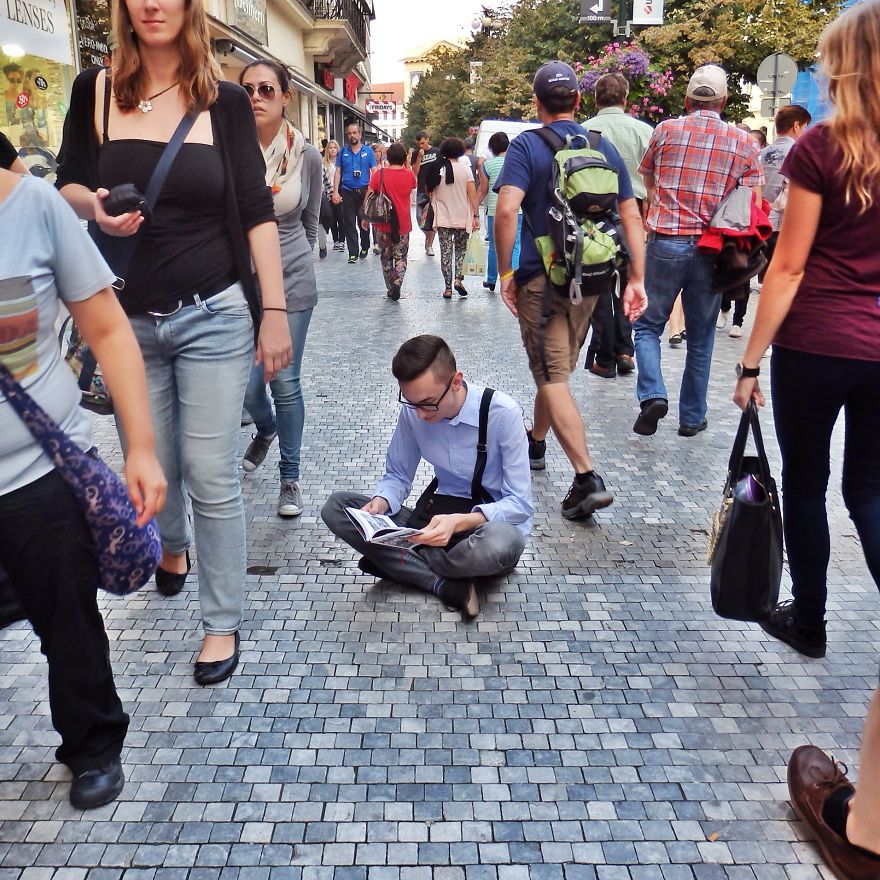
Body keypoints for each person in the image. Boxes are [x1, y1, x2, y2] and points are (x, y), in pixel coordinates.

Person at [56, 0, 293, 686]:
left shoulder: (221, 100)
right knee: (155, 461)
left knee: (211, 470)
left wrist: (271, 310)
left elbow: (254, 210)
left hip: (213, 312)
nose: (152, 3)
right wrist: (93, 205)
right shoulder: (94, 90)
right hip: (127, 321)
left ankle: (221, 622)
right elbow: (68, 176)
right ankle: (174, 549)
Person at [731, 3, 880, 871]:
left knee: (811, 482)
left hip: (817, 339)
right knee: (871, 488)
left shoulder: (822, 147)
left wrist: (751, 361)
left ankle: (812, 617)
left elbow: (787, 265)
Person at [0, 167, 166, 809]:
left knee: (66, 622)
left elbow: (106, 329)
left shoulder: (33, 207)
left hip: (36, 474)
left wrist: (142, 448)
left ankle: (94, 743)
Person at [494, 61, 647, 519]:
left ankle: (586, 478)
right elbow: (632, 216)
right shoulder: (603, 146)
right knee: (555, 367)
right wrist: (637, 278)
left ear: (537, 102)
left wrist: (505, 274)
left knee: (552, 374)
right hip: (593, 278)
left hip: (541, 278)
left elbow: (506, 212)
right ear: (578, 102)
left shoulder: (527, 146)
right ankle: (536, 443)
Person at [321, 335, 533, 621]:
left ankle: (398, 563)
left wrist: (459, 521)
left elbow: (519, 504)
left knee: (499, 544)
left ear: (456, 381)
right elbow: (397, 474)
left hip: (484, 528)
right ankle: (441, 583)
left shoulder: (503, 415)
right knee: (337, 507)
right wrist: (381, 502)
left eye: (428, 403)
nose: (419, 414)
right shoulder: (413, 412)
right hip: (431, 522)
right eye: (411, 403)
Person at [634, 64, 763, 438]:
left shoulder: (666, 130)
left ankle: (653, 394)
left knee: (647, 325)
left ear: (688, 99)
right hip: (712, 248)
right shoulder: (743, 142)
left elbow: (648, 178)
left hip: (665, 241)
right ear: (723, 101)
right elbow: (754, 198)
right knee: (702, 337)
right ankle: (692, 417)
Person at [238, 60, 321, 519]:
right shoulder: (229, 150)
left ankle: (290, 479)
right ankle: (265, 430)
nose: (256, 97)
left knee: (284, 381)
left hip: (290, 282)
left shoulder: (306, 155)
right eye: (248, 89)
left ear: (286, 97)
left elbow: (309, 224)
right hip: (237, 283)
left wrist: (295, 266)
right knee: (248, 390)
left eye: (267, 89)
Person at [581, 72, 653, 379]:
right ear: (626, 100)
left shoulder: (583, 131)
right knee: (629, 284)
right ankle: (626, 350)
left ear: (595, 99)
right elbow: (653, 180)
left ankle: (606, 355)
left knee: (598, 286)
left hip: (592, 217)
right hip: (633, 213)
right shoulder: (644, 131)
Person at [427, 137, 480, 299]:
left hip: (443, 217)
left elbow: (429, 191)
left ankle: (447, 288)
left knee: (445, 252)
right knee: (461, 250)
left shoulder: (438, 169)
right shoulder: (465, 169)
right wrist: (476, 215)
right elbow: (472, 194)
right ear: (461, 151)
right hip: (462, 217)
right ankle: (458, 279)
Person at [366, 141, 416, 300]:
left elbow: (369, 193)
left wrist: (365, 218)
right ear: (404, 157)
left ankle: (390, 285)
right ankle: (398, 281)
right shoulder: (409, 175)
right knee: (400, 256)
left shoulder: (379, 174)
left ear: (388, 156)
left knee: (385, 256)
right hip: (403, 222)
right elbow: (412, 187)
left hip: (382, 222)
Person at [477, 131, 521, 293]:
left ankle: (491, 279)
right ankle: (515, 277)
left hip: (495, 210)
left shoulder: (487, 165)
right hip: (517, 209)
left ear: (492, 149)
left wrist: (473, 208)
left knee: (494, 247)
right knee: (516, 244)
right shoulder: (516, 163)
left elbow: (483, 190)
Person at [332, 120, 376, 263]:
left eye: (355, 132)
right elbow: (338, 172)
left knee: (362, 221)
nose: (352, 135)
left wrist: (374, 191)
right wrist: (335, 191)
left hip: (364, 191)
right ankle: (353, 252)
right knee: (348, 222)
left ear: (360, 134)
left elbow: (374, 172)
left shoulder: (368, 152)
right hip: (347, 190)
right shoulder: (343, 152)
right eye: (349, 133)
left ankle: (365, 245)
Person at [411, 130, 439, 256]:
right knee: (419, 218)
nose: (420, 146)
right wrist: (419, 157)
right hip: (421, 189)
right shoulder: (417, 153)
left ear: (427, 139)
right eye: (418, 144)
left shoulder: (437, 152)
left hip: (435, 190)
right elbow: (414, 173)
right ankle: (427, 236)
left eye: (422, 143)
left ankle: (429, 245)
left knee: (432, 219)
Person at [319, 139, 344, 252]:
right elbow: (322, 180)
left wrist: (338, 192)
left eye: (335, 147)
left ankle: (342, 240)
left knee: (341, 217)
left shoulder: (342, 162)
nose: (333, 149)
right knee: (332, 218)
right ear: (327, 149)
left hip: (341, 193)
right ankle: (336, 240)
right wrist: (329, 193)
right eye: (330, 147)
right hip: (329, 194)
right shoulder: (323, 163)